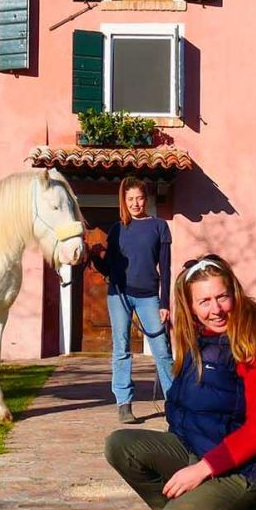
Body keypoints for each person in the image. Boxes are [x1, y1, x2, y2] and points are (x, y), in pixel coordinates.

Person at [103, 254, 256, 510]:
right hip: (197, 450)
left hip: (241, 471)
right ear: (190, 306)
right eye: (204, 301)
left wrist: (202, 470)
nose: (215, 309)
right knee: (121, 445)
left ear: (235, 294)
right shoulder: (196, 338)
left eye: (222, 297)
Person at [88, 177, 173, 423]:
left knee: (162, 351)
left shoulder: (159, 226)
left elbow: (165, 268)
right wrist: (94, 257)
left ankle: (174, 401)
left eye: (139, 198)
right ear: (124, 201)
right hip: (119, 295)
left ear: (146, 199)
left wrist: (165, 303)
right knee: (121, 349)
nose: (135, 204)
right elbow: (109, 268)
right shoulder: (117, 229)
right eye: (130, 199)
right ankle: (124, 404)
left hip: (149, 297)